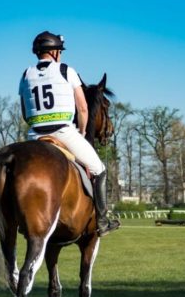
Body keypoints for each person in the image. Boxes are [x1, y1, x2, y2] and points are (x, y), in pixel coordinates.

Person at [18, 31, 120, 237]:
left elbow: (24, 111)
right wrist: (82, 131)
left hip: (34, 136)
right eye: (60, 52)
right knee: (99, 169)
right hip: (63, 132)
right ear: (54, 52)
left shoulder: (25, 74)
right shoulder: (66, 70)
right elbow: (83, 109)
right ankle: (101, 221)